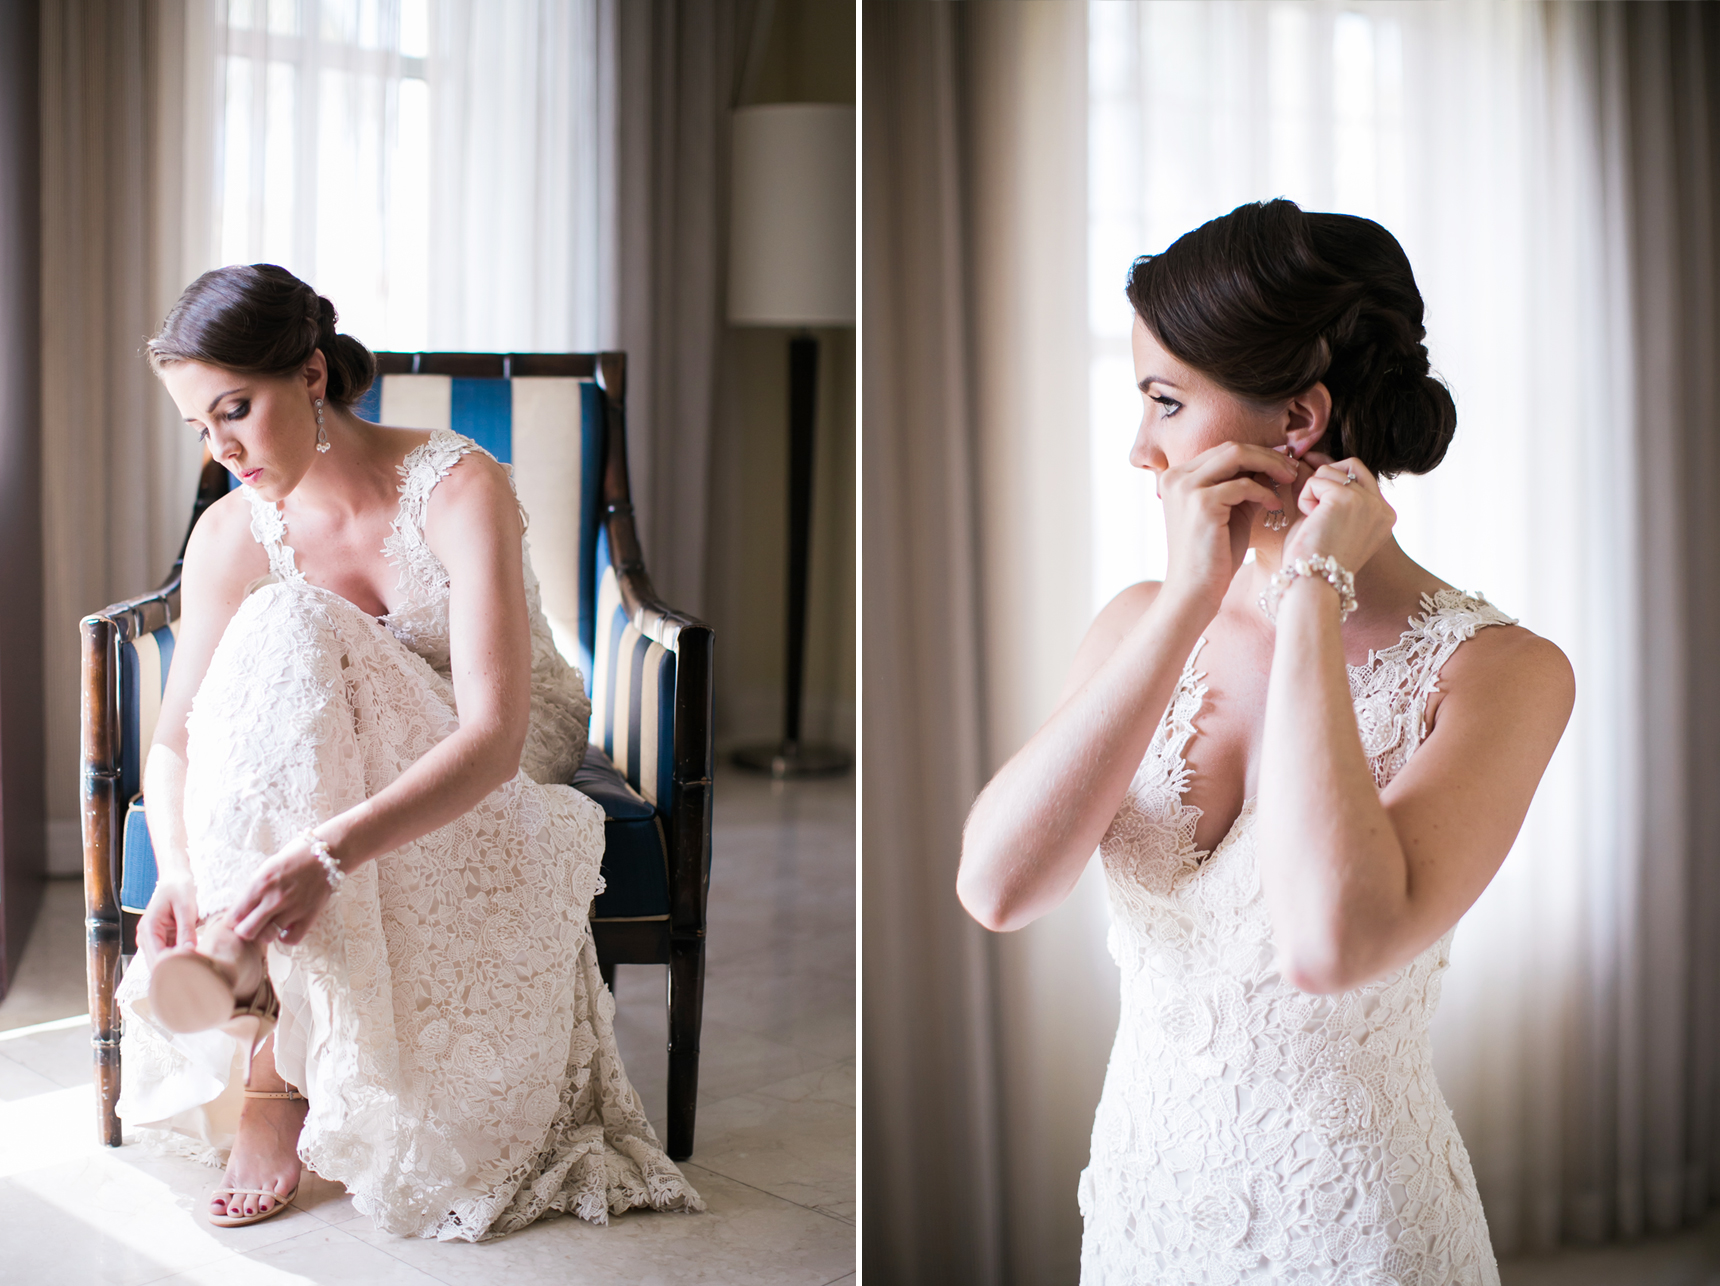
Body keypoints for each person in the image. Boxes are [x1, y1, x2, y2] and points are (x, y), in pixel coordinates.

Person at [957, 200, 1574, 1284]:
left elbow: (1327, 945)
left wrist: (1311, 596)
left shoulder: (1504, 675)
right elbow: (997, 887)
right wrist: (1188, 599)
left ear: (1299, 413)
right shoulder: (1139, 620)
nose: (1139, 447)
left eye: (1164, 399)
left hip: (1355, 1234)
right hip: (1145, 1207)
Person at [115, 264, 703, 1239]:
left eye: (235, 409)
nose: (222, 449)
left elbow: (493, 733)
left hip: (499, 748)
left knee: (299, 619)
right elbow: (176, 737)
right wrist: (177, 869)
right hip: (342, 756)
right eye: (197, 428)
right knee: (286, 626)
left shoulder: (456, 482)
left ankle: (258, 1030)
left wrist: (327, 854)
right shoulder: (233, 531)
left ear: (310, 374)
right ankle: (248, 975)